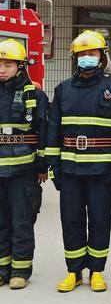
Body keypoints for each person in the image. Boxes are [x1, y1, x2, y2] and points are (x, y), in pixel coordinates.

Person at [45, 30, 111, 293]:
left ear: (102, 57)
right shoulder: (63, 90)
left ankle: (97, 272)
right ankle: (74, 271)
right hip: (69, 170)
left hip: (101, 170)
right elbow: (53, 129)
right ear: (75, 58)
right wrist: (54, 166)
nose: (87, 58)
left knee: (101, 220)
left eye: (92, 53)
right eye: (82, 54)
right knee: (71, 220)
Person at [0, 39, 49, 290]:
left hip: (24, 170)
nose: (2, 69)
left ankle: (20, 269)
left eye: (8, 64)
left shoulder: (34, 95)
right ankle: (2, 268)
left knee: (21, 220)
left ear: (20, 66)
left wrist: (42, 166)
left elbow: (43, 130)